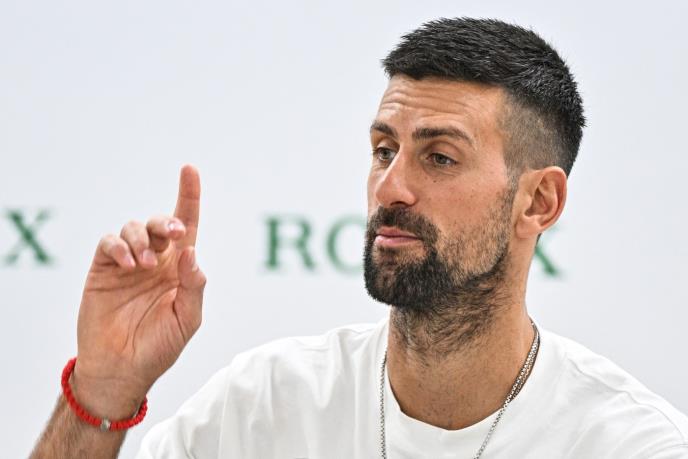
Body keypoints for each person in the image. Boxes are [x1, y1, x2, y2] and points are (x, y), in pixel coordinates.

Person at [31, 17, 688, 459]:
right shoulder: (267, 402)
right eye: (383, 150)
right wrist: (103, 390)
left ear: (538, 202)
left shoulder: (631, 444)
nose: (390, 188)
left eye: (439, 157)